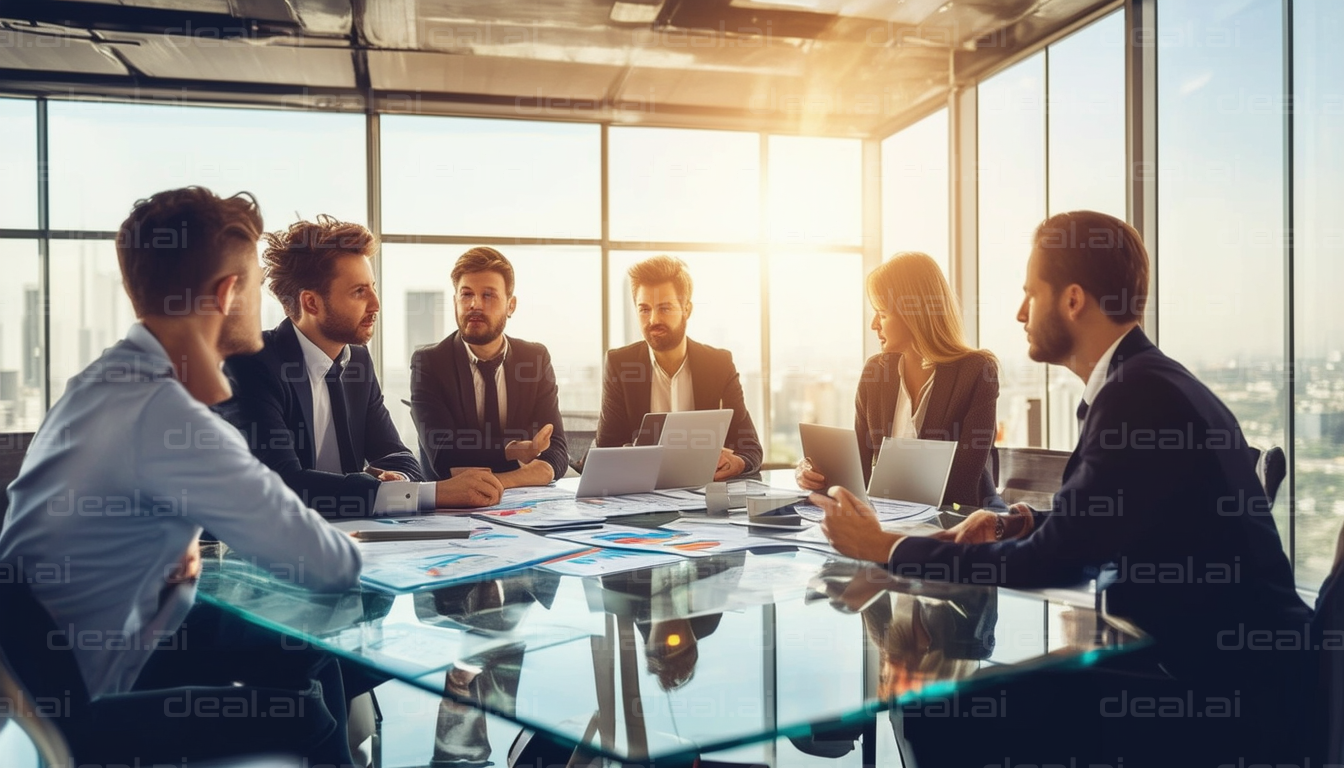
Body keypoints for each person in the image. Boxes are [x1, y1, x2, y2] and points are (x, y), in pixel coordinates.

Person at [813, 210, 1314, 765]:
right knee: (951, 704)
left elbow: (1050, 565)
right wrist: (1016, 520)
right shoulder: (1141, 382)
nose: (1020, 312)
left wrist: (886, 547)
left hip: (1222, 693)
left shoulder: (1136, 399)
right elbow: (1102, 523)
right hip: (1224, 669)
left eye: (1031, 293)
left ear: (1073, 300)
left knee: (944, 713)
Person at [0, 187, 362, 765]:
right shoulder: (172, 417)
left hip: (40, 683)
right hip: (85, 710)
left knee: (300, 656)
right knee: (305, 712)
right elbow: (331, 564)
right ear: (225, 294)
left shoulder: (92, 385)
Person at [220, 216, 503, 516]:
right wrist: (427, 493)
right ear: (311, 303)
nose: (376, 303)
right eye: (359, 292)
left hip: (352, 537)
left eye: (373, 287)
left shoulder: (357, 360)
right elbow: (283, 486)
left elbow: (399, 456)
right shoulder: (252, 365)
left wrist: (399, 482)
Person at [796, 252, 1001, 508]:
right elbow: (857, 468)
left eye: (882, 314)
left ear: (913, 314)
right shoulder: (876, 373)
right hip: (888, 520)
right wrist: (813, 473)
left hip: (957, 521)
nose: (873, 325)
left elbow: (964, 478)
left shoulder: (976, 372)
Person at [410, 246, 567, 487]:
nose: (475, 304)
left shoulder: (534, 358)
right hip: (450, 509)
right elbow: (443, 455)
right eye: (466, 294)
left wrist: (505, 481)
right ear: (455, 302)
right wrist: (514, 451)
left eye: (488, 295)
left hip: (525, 503)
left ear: (510, 306)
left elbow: (556, 448)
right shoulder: (430, 363)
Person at [597, 255, 762, 479]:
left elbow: (751, 449)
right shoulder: (620, 364)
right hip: (644, 496)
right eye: (644, 309)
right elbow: (607, 449)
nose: (653, 319)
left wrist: (737, 462)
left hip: (704, 494)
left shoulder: (718, 364)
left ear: (687, 309)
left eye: (664, 308)